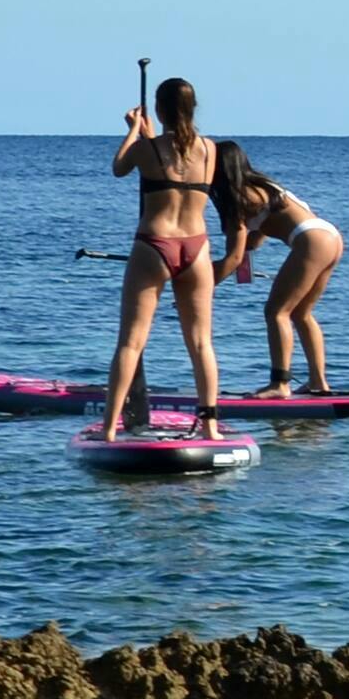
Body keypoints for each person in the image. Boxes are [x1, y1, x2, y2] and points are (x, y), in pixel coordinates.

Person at [100, 75, 226, 439]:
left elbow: (120, 167)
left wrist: (134, 130)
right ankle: (211, 427)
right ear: (192, 108)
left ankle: (109, 429)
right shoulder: (209, 149)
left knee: (130, 342)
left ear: (158, 109)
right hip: (197, 247)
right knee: (202, 343)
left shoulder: (146, 149)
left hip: (154, 244)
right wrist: (150, 134)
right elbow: (177, 161)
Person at [213, 143, 346, 398]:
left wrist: (201, 288)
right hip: (329, 236)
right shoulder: (263, 187)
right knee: (301, 313)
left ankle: (279, 384)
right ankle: (318, 382)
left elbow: (233, 257)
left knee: (276, 312)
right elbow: (256, 238)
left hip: (311, 240)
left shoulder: (237, 199)